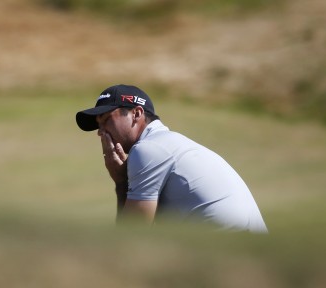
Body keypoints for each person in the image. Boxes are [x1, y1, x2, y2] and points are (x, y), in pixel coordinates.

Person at [75, 84, 268, 233]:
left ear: (136, 114)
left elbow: (132, 236)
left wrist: (120, 183)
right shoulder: (166, 143)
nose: (101, 132)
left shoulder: (148, 150)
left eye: (107, 119)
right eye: (99, 125)